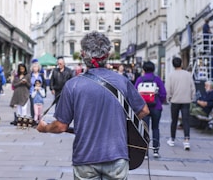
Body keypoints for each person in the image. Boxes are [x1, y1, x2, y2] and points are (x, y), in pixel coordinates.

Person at [37, 31, 150, 179]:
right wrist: (121, 125)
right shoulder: (122, 81)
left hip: (86, 157)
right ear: (108, 54)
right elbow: (143, 110)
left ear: (83, 55)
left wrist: (44, 128)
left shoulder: (73, 85)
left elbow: (60, 126)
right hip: (117, 155)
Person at [134, 61, 166, 158]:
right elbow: (163, 94)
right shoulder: (157, 80)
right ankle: (155, 150)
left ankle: (145, 152)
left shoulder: (140, 79)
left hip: (144, 108)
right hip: (156, 107)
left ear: (143, 69)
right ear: (153, 69)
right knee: (155, 128)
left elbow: (135, 94)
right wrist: (158, 101)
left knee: (145, 129)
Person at [166, 57, 195, 150]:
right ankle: (186, 140)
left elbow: (168, 89)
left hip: (175, 100)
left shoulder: (171, 75)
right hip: (186, 100)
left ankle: (172, 139)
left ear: (173, 65)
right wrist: (191, 97)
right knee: (186, 121)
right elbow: (192, 87)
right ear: (181, 64)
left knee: (174, 120)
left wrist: (169, 98)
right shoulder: (187, 75)